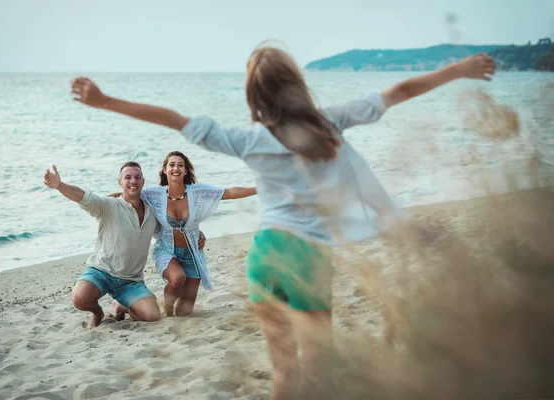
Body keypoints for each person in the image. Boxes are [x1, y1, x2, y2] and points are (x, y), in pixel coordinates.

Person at [69, 45, 495, 398]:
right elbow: (399, 90)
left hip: (265, 255)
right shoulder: (331, 123)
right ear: (297, 84)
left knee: (284, 375)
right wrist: (459, 69)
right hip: (307, 255)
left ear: (254, 95)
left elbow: (174, 119)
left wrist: (104, 102)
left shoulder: (250, 139)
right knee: (319, 370)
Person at [43, 161, 206, 328]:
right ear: (120, 183)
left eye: (137, 177)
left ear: (143, 181)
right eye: (127, 177)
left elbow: (172, 228)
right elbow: (83, 196)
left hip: (131, 281)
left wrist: (196, 234)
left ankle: (121, 306)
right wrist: (59, 185)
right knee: (80, 298)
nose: (133, 181)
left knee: (153, 315)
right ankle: (97, 312)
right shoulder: (108, 205)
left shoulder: (153, 212)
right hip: (101, 272)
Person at [110, 151, 256, 317]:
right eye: (172, 165)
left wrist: (261, 189)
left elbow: (230, 192)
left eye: (180, 165)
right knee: (177, 279)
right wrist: (101, 205)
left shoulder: (197, 192)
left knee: (184, 313)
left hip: (192, 254)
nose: (176, 168)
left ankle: (123, 306)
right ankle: (168, 311)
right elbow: (126, 195)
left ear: (186, 171)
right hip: (166, 250)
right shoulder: (155, 194)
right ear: (165, 169)